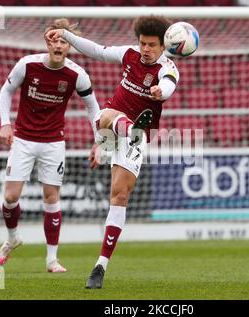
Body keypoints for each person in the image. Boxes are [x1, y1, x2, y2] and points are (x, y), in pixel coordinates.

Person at [46, 15, 179, 288]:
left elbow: (168, 86)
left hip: (137, 137)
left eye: (152, 45)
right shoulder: (129, 54)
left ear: (163, 46)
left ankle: (99, 267)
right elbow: (96, 50)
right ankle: (128, 129)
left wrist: (158, 91)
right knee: (106, 115)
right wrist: (66, 35)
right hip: (113, 124)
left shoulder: (168, 68)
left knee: (119, 196)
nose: (146, 49)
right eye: (143, 43)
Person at [0, 19, 101, 272]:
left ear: (70, 46)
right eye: (55, 40)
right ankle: (12, 239)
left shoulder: (77, 75)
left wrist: (99, 141)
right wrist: (5, 123)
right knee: (10, 197)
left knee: (51, 197)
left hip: (53, 142)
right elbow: (5, 92)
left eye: (64, 41)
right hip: (23, 139)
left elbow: (92, 107)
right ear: (47, 42)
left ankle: (52, 259)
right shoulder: (27, 65)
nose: (59, 45)